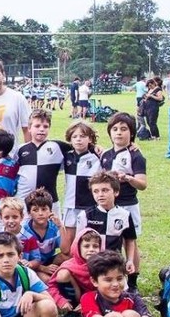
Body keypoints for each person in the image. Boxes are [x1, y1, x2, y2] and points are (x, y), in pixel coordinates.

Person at [99, 113, 146, 289]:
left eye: (124, 129)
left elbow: (142, 184)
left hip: (128, 204)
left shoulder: (136, 155)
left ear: (131, 133)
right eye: (115, 129)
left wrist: (127, 178)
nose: (119, 133)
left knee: (130, 242)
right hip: (110, 206)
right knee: (110, 239)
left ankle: (133, 280)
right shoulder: (105, 154)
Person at [76, 171, 138, 287]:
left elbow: (129, 240)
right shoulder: (85, 215)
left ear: (116, 192)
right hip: (91, 265)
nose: (100, 194)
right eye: (96, 191)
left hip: (114, 265)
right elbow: (78, 243)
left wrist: (129, 260)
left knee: (119, 295)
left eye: (105, 190)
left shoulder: (125, 215)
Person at [60, 121, 101, 255]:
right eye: (75, 136)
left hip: (89, 206)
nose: (78, 139)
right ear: (70, 139)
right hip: (70, 205)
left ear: (90, 139)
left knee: (88, 241)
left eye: (83, 136)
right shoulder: (66, 155)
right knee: (68, 245)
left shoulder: (98, 156)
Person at [14, 109, 69, 208]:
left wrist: (94, 148)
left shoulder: (57, 146)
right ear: (29, 128)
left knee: (53, 223)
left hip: (50, 202)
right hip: (24, 200)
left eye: (45, 126)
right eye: (37, 126)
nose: (42, 129)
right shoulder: (21, 149)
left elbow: (80, 149)